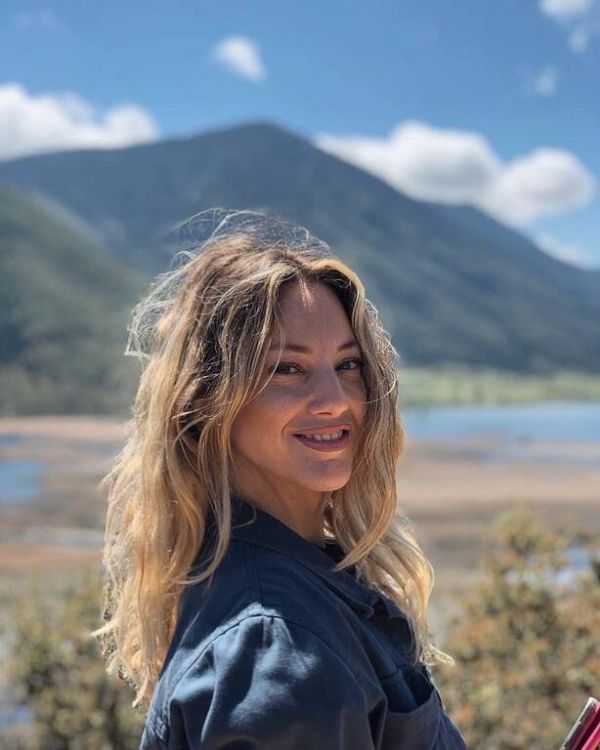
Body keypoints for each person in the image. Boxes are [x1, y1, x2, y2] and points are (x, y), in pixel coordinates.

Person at [95, 211, 469, 748]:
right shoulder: (274, 648)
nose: (335, 400)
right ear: (208, 398)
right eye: (287, 369)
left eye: (348, 365)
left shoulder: (297, 579)